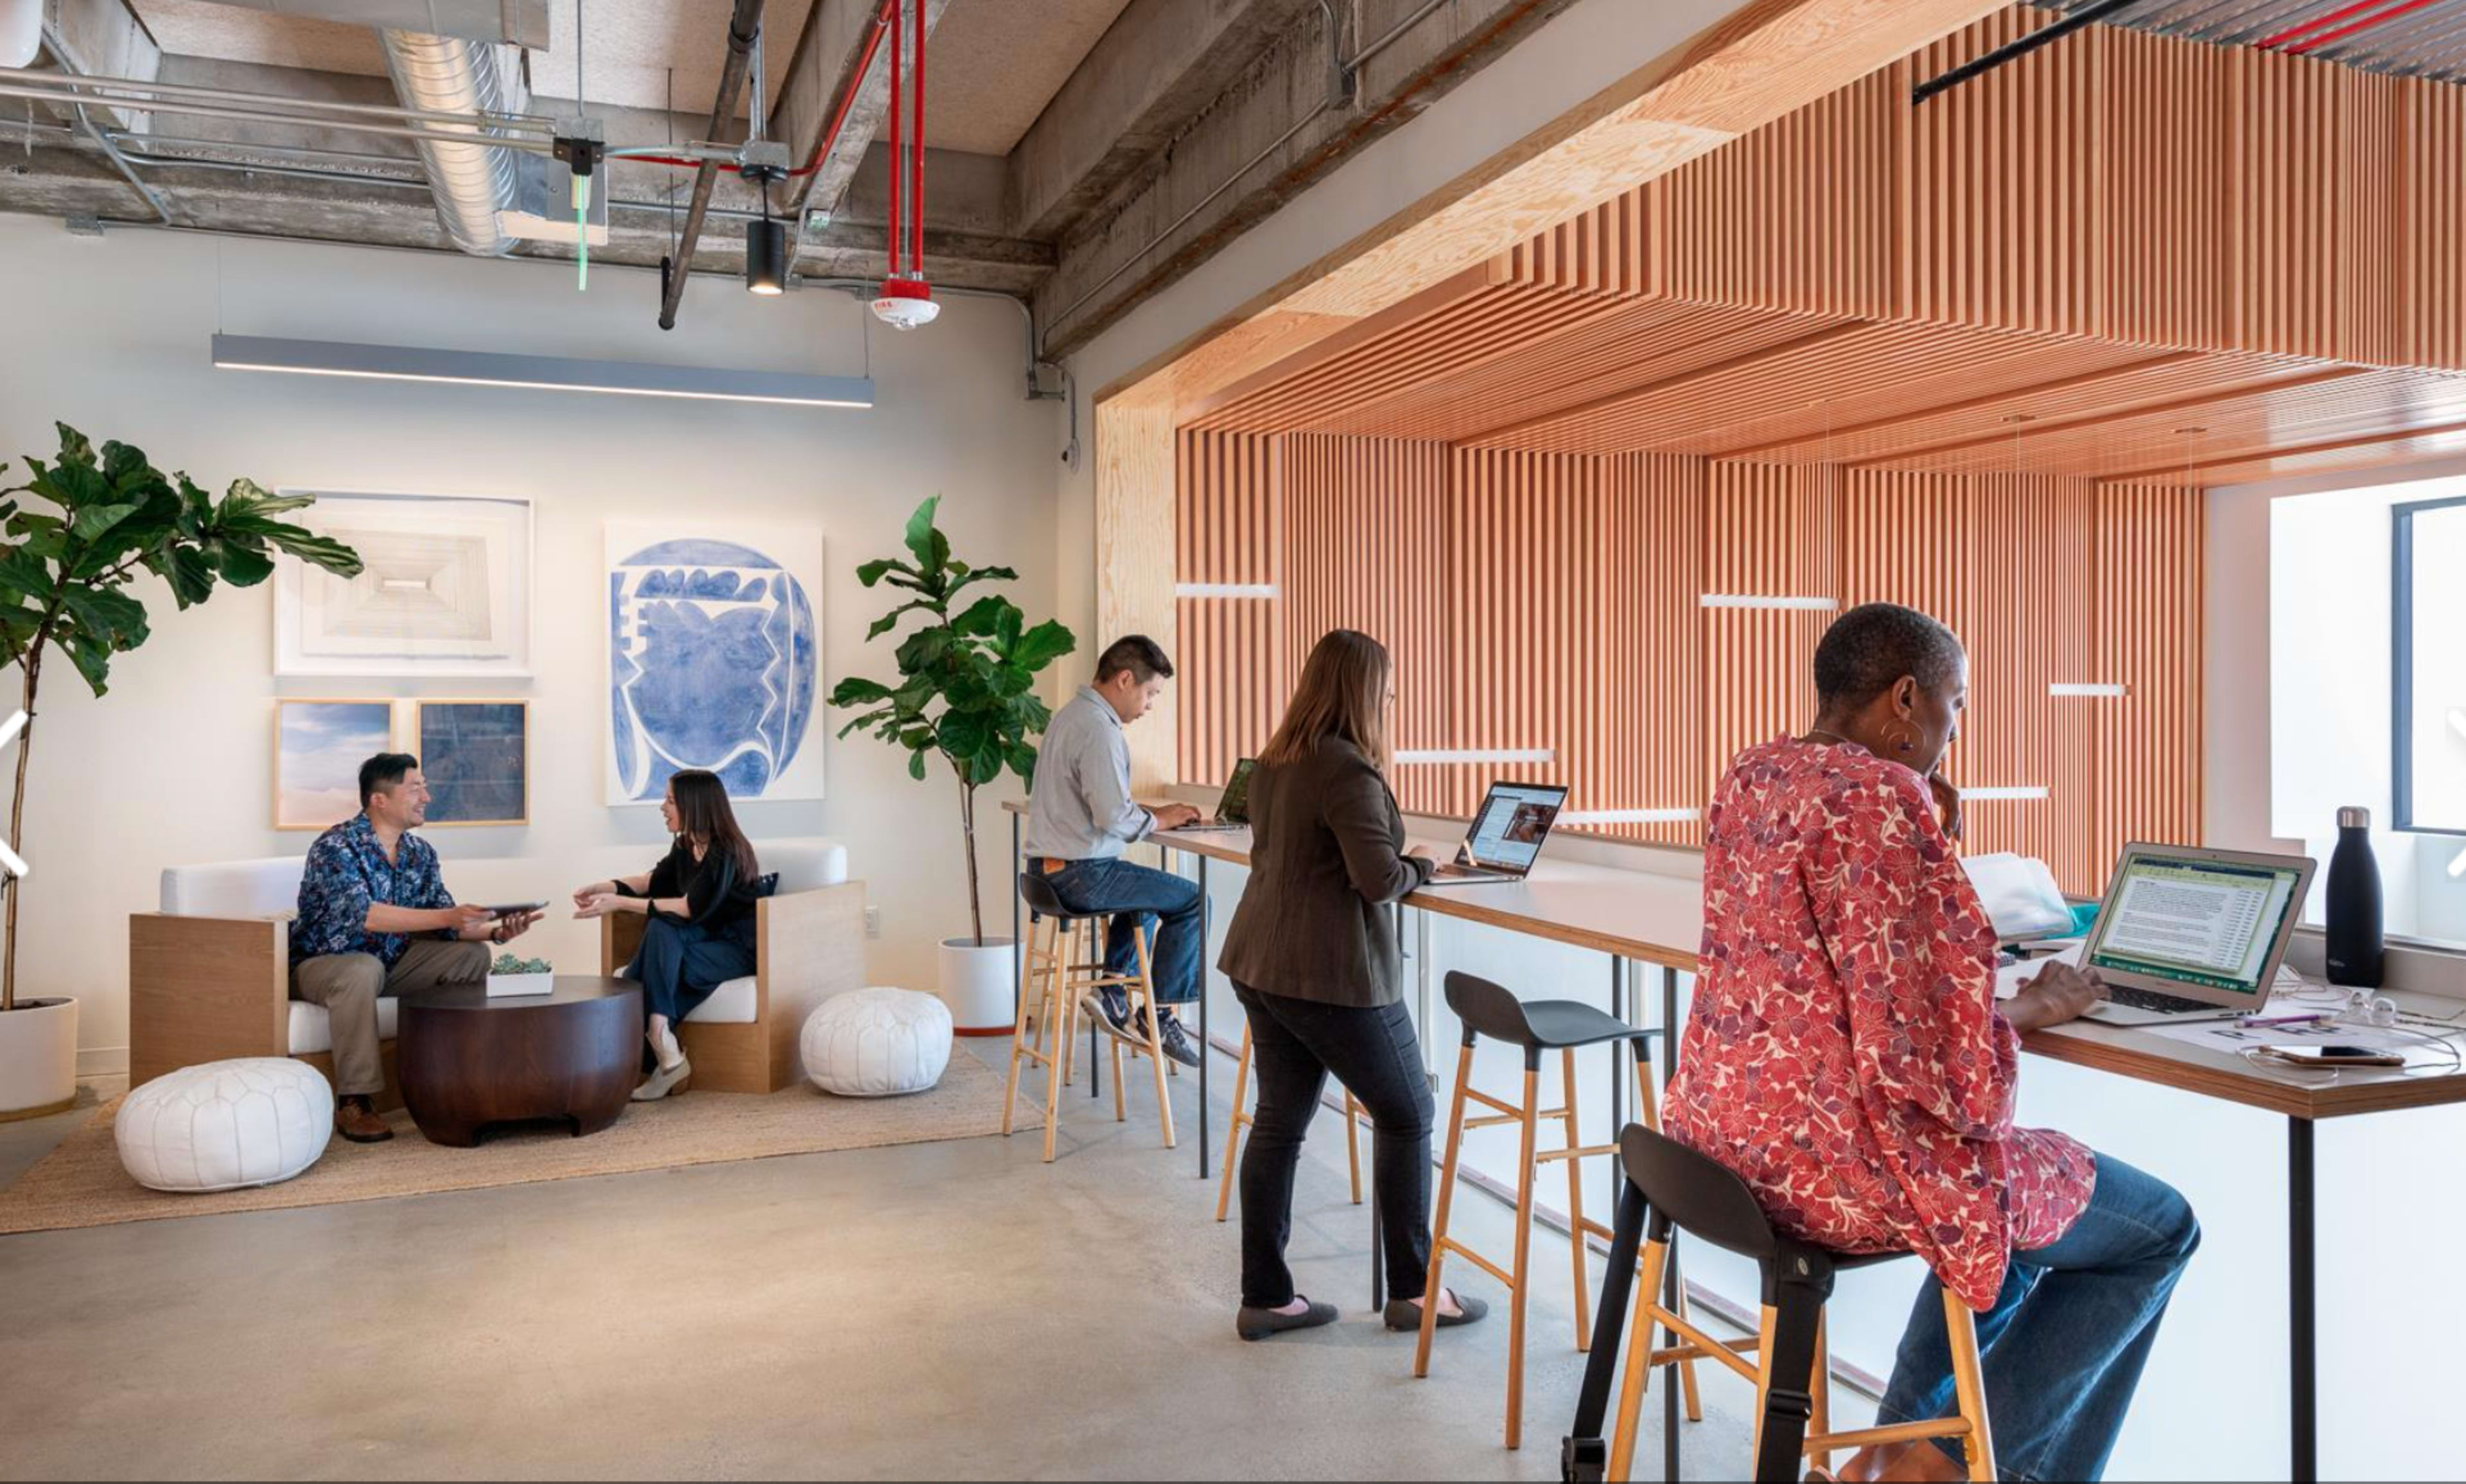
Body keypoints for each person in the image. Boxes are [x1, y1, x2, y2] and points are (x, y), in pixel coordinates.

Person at [1664, 602, 2199, 1484]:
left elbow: (1841, 979)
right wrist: (2033, 1008)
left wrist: (1930, 840)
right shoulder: (1881, 795)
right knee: (2157, 1229)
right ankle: (1947, 1470)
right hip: (1842, 1169)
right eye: (1955, 703)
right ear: (1905, 698)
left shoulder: (1759, 771)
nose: (1956, 730)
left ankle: (1890, 1455)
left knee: (2012, 1227)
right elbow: (1944, 1080)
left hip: (1729, 1142)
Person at [1217, 629, 1487, 1342]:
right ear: (1364, 694)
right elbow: (1379, 880)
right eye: (1389, 692)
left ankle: (1266, 1298)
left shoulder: (1277, 761)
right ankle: (1413, 1292)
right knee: (1407, 1112)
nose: (1393, 704)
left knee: (1278, 1121)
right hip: (1329, 974)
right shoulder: (1346, 768)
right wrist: (1422, 862)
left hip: (1261, 964)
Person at [290, 753, 542, 1144]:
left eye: (425, 787)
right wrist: (449, 917)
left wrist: (495, 932)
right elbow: (367, 917)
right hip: (324, 965)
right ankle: (355, 1100)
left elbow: (444, 925)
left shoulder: (419, 853)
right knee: (361, 969)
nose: (427, 796)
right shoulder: (336, 846)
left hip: (390, 961)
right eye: (416, 788)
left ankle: (451, 1079)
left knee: (472, 957)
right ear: (380, 800)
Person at [1020, 634, 1206, 1068]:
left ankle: (1111, 990)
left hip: (1047, 871)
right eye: (1151, 693)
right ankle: (1158, 1015)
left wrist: (1153, 812)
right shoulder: (1098, 729)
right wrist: (1160, 819)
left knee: (1145, 894)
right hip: (1077, 875)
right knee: (1195, 900)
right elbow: (1112, 819)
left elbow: (1100, 806)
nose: (1150, 705)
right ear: (1125, 679)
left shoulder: (1071, 716)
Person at [573, 769, 767, 1101]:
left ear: (694, 804)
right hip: (701, 941)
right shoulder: (687, 846)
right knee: (662, 931)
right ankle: (664, 1047)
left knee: (655, 955)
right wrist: (603, 886)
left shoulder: (727, 851)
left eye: (670, 800)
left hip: (737, 950)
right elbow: (651, 881)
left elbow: (690, 907)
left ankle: (646, 1042)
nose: (663, 807)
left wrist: (618, 903)